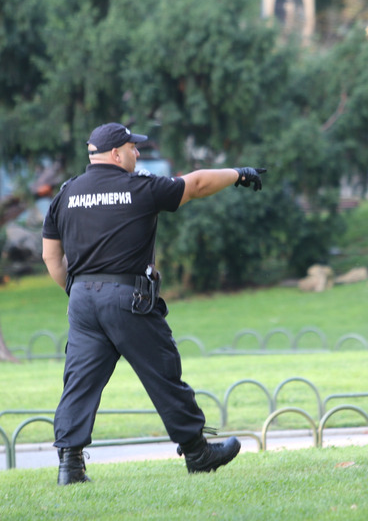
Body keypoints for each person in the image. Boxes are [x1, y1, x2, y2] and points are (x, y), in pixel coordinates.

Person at [41, 122, 267, 485]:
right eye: (134, 147)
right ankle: (198, 452)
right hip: (127, 297)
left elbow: (51, 256)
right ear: (116, 154)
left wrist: (79, 289)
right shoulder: (139, 187)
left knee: (79, 382)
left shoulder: (66, 193)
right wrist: (238, 173)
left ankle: (70, 466)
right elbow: (195, 184)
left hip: (82, 300)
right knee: (163, 371)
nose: (139, 153)